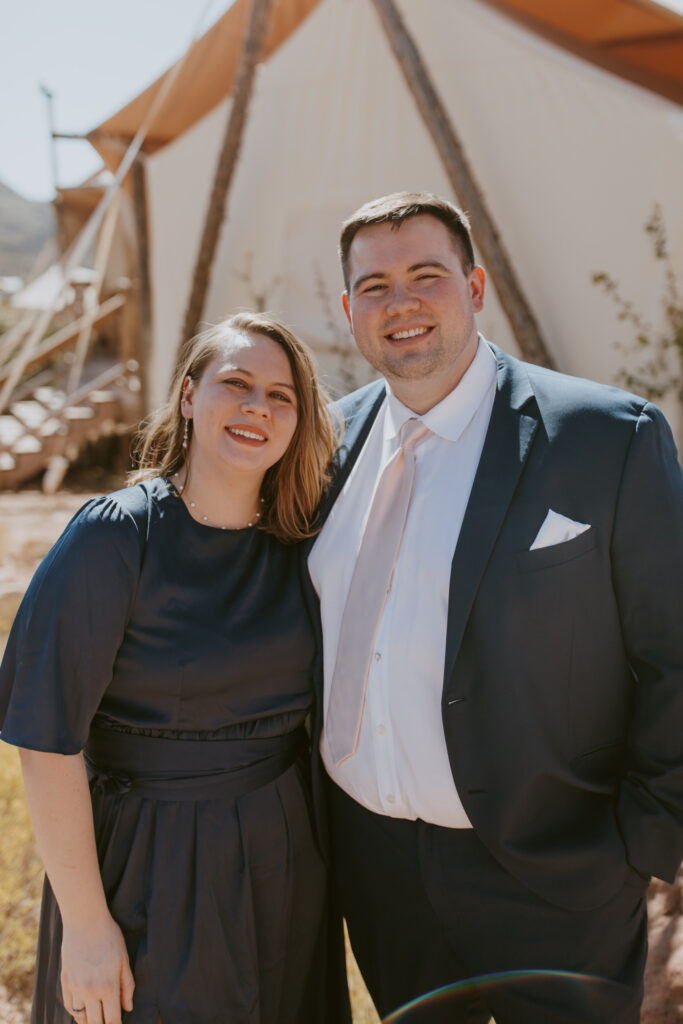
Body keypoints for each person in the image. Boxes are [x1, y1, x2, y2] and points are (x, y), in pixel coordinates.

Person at [306, 192, 683, 1023]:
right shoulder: (321, 445)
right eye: (373, 287)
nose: (399, 303)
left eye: (425, 275)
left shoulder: (607, 437)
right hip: (376, 870)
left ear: (475, 287)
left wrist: (639, 850)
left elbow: (674, 655)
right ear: (347, 310)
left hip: (557, 875)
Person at [0, 312, 348, 1024]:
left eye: (281, 396)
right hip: (148, 864)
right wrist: (90, 928)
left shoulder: (302, 541)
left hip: (281, 860)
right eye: (237, 384)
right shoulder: (116, 535)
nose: (258, 407)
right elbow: (45, 741)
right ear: (189, 396)